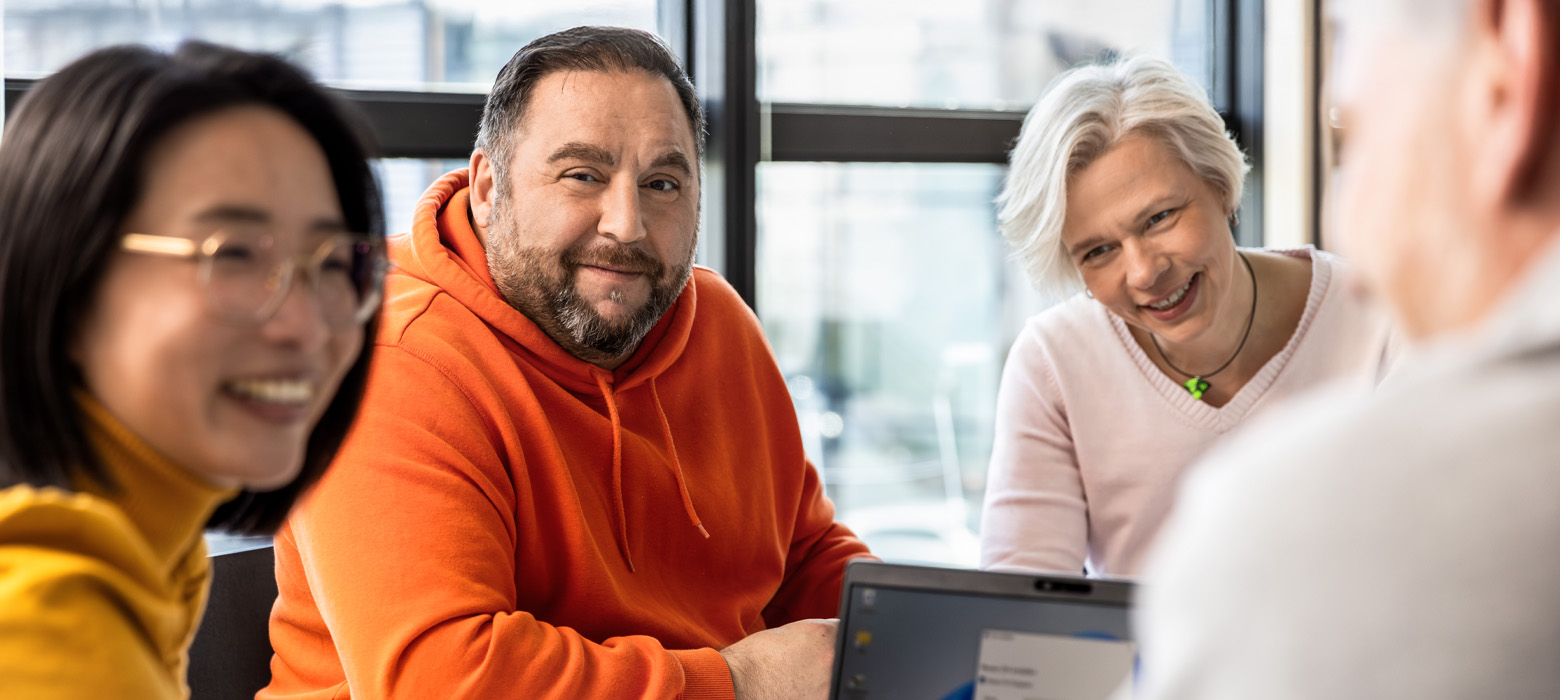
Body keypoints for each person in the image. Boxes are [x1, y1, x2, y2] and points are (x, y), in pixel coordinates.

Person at [261, 26, 871, 700]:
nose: (627, 225)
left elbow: (804, 558)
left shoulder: (719, 323)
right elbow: (443, 682)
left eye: (663, 183)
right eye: (583, 175)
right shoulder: (387, 359)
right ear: (490, 188)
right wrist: (738, 682)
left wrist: (929, 634)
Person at [1131, 0, 1560, 696]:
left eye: (1354, 144)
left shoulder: (1305, 525)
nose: (1349, 234)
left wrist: (1295, 495)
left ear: (1507, 79)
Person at [0, 42, 384, 698]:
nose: (306, 326)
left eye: (328, 264)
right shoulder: (47, 631)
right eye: (232, 255)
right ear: (65, 283)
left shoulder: (156, 558)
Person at [978, 55, 1394, 578]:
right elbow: (1020, 607)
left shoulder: (1379, 317)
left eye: (1159, 218)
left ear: (1219, 185)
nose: (1144, 272)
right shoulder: (1054, 362)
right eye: (1099, 251)